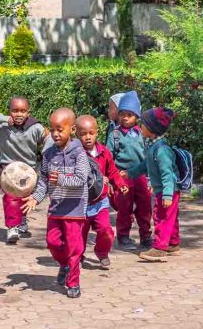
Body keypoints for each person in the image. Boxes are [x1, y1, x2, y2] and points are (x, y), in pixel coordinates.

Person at [24, 108, 89, 299]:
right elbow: (44, 179)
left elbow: (81, 179)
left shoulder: (79, 153)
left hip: (75, 209)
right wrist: (36, 197)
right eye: (52, 129)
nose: (55, 134)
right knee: (52, 242)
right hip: (56, 208)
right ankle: (64, 264)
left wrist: (60, 178)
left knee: (74, 248)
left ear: (72, 130)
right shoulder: (48, 153)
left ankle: (73, 282)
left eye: (60, 129)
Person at [0, 96, 48, 245]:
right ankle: (12, 227)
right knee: (11, 197)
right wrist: (2, 119)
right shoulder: (2, 126)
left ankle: (21, 221)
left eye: (23, 111)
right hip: (8, 169)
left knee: (24, 197)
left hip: (29, 170)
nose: (19, 114)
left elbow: (49, 139)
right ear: (9, 112)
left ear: (28, 112)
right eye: (15, 111)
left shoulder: (35, 127)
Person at [127, 107, 181, 262]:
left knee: (161, 217)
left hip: (167, 190)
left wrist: (167, 194)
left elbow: (167, 174)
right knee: (170, 217)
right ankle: (173, 243)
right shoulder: (153, 146)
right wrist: (130, 173)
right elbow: (146, 165)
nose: (140, 126)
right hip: (164, 190)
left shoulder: (162, 150)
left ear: (152, 129)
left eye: (143, 124)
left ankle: (160, 247)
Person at [77, 114, 128, 270]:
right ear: (76, 134)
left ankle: (102, 252)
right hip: (81, 203)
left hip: (101, 202)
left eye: (91, 133)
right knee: (79, 234)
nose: (87, 137)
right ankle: (77, 256)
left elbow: (112, 171)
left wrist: (120, 184)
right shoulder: (75, 153)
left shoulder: (104, 152)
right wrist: (99, 178)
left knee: (106, 230)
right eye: (83, 134)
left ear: (97, 132)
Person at [106, 90, 152, 250]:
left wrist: (151, 178)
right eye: (122, 114)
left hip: (140, 176)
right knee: (124, 207)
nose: (125, 117)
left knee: (145, 206)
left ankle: (146, 235)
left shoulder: (142, 134)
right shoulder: (115, 135)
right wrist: (110, 180)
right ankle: (123, 235)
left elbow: (149, 156)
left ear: (137, 117)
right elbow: (108, 158)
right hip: (122, 176)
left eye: (129, 115)